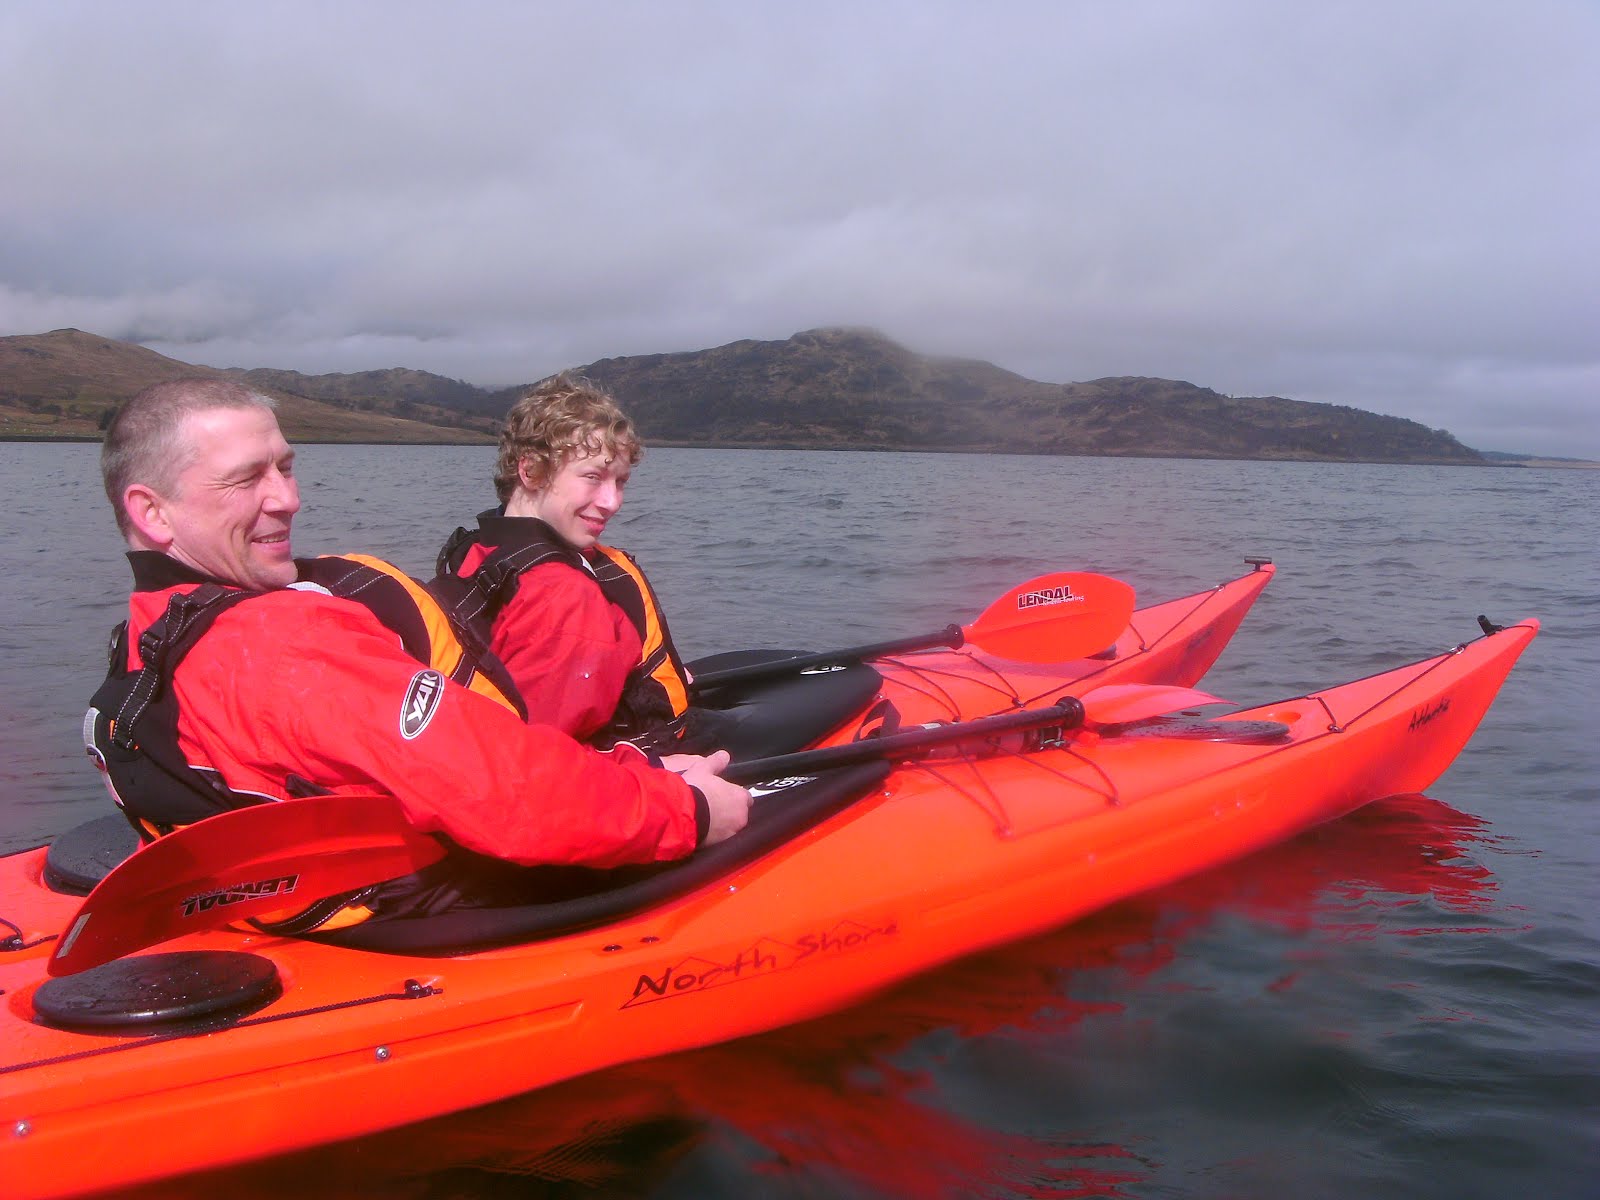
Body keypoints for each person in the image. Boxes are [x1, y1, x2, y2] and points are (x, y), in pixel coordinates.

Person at [87, 378, 749, 932]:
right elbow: (509, 796)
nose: (286, 498)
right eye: (245, 480)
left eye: (285, 467)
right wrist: (683, 808)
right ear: (154, 513)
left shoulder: (152, 628)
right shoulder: (282, 651)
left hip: (319, 892)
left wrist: (625, 765)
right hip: (426, 908)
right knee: (742, 803)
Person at [434, 375, 704, 753]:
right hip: (631, 769)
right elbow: (539, 760)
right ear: (530, 472)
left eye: (620, 481)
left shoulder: (481, 548)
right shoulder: (566, 597)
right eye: (593, 477)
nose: (612, 502)